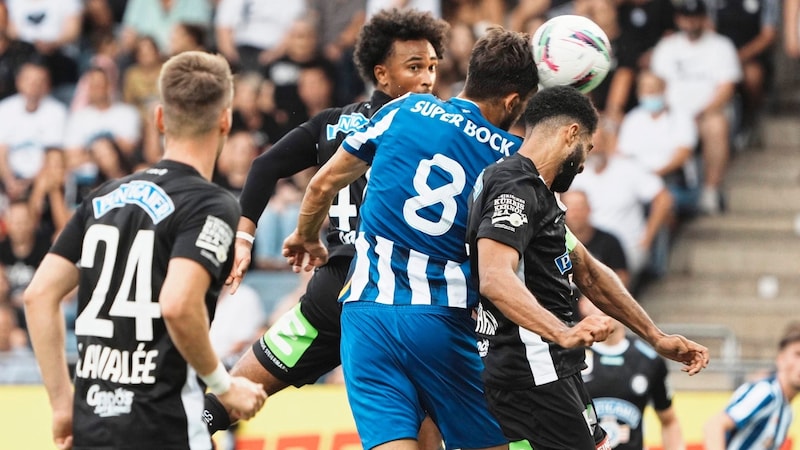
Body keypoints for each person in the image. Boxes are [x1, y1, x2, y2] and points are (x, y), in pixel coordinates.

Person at [281, 26, 538, 450]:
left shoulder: (405, 109)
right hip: (440, 321)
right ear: (513, 102)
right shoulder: (511, 158)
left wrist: (307, 235)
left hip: (364, 316)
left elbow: (322, 185)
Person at [204, 8, 450, 440]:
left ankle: (174, 433)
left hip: (333, 293)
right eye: (415, 67)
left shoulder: (333, 124)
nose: (428, 78)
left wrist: (245, 235)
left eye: (432, 66)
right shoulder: (443, 132)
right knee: (425, 416)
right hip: (398, 295)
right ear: (382, 74)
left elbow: (264, 166)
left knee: (230, 396)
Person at [22, 51, 267, 450]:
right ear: (225, 119)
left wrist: (62, 404)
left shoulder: (104, 197)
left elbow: (37, 296)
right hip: (163, 427)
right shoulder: (211, 204)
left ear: (159, 119)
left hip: (93, 427)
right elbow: (177, 303)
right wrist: (224, 386)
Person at [465, 85, 709, 450]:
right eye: (588, 149)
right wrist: (561, 333)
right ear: (571, 134)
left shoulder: (538, 194)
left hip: (548, 368)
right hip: (531, 370)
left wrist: (655, 337)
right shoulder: (515, 186)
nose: (583, 164)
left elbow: (591, 273)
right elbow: (495, 277)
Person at [650, 0, 742, 215]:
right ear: (678, 19)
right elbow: (656, 84)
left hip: (707, 113)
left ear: (704, 18)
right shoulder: (667, 46)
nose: (690, 22)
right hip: (671, 113)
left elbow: (727, 87)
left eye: (695, 17)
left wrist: (700, 113)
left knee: (716, 125)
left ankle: (710, 190)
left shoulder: (721, 45)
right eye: (686, 17)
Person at [578, 297, 685, 450]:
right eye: (596, 299)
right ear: (583, 305)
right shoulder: (570, 357)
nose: (604, 307)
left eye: (609, 297)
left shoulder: (649, 360)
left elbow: (669, 421)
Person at [704, 321, 800, 449]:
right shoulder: (766, 393)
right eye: (797, 354)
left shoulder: (786, 412)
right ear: (780, 359)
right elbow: (714, 426)